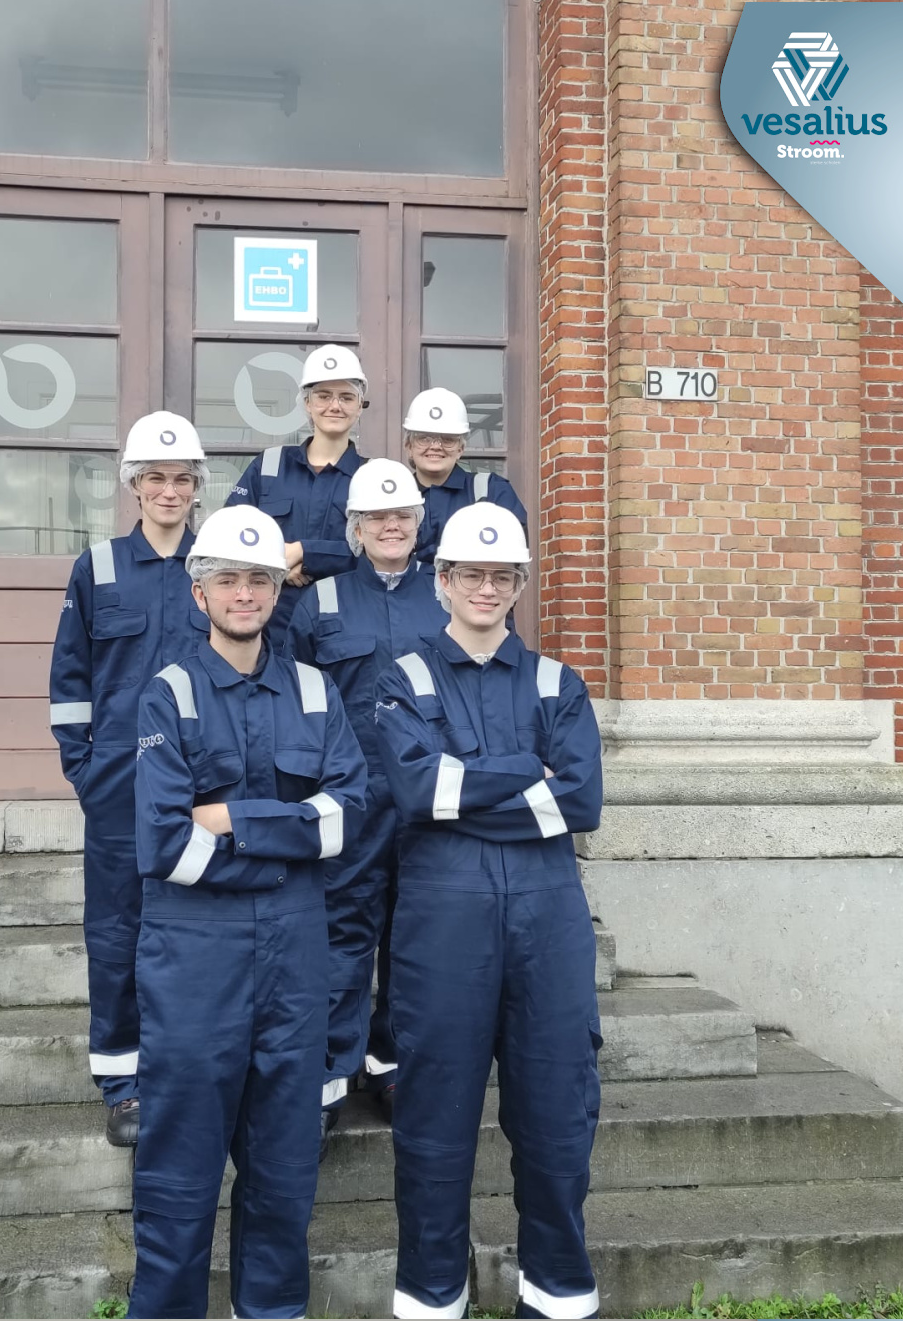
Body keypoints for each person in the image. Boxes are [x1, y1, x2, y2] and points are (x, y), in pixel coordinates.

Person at [127, 505, 367, 1320]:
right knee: (179, 1170)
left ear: (276, 590)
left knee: (284, 1169)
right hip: (194, 961)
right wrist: (289, 838)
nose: (244, 593)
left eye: (259, 579)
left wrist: (231, 817)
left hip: (294, 961)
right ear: (199, 593)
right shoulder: (169, 695)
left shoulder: (315, 690)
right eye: (226, 578)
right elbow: (166, 846)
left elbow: (345, 819)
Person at [373, 502, 604, 1321]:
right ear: (440, 580)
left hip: (548, 924)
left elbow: (579, 800)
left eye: (501, 575)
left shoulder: (557, 682)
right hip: (442, 923)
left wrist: (464, 790)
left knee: (556, 1120)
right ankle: (433, 1296)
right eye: (469, 572)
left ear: (518, 585)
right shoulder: (401, 677)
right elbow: (415, 790)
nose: (484, 587)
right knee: (433, 1124)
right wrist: (525, 772)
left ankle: (557, 1293)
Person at [49, 411, 210, 1147]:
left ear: (197, 487)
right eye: (155, 478)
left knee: (196, 929)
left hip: (203, 785)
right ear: (133, 486)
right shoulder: (99, 567)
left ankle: (185, 1069)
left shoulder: (216, 567)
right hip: (117, 786)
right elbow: (70, 679)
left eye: (181, 478)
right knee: (118, 932)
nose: (168, 490)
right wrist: (85, 770)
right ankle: (123, 1083)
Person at [284, 458, 446, 1158]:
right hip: (349, 801)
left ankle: (392, 1066)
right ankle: (326, 1077)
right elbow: (292, 705)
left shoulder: (446, 595)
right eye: (376, 517)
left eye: (401, 515)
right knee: (341, 941)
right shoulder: (317, 604)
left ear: (418, 522)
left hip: (426, 804)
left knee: (412, 941)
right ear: (354, 527)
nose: (390, 526)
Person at [225, 343, 368, 649]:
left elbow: (382, 553)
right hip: (268, 632)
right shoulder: (268, 467)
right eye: (323, 396)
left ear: (359, 406)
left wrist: (305, 553)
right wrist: (277, 563)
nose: (335, 406)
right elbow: (230, 535)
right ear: (306, 403)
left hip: (347, 632)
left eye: (346, 397)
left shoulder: (372, 478)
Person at [403, 386, 528, 564]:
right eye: (424, 438)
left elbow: (510, 562)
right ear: (409, 446)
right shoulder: (393, 499)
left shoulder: (492, 492)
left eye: (447, 439)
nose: (436, 446)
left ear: (461, 449)